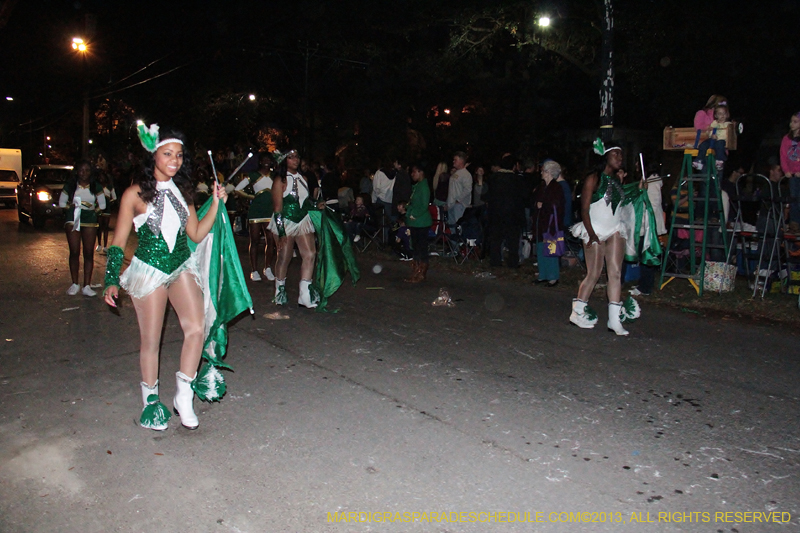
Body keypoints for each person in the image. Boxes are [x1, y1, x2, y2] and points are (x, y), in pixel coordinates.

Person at [103, 124, 228, 431]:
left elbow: (197, 233)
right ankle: (151, 403)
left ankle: (184, 395)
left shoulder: (183, 193)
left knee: (196, 328)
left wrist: (216, 203)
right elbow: (118, 242)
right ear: (153, 156)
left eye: (179, 155)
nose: (174, 160)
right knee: (151, 340)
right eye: (167, 154)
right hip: (149, 271)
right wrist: (110, 279)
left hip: (181, 265)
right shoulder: (134, 194)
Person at [569, 139, 661, 336]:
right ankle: (577, 313)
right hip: (594, 230)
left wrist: (639, 188)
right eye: (616, 154)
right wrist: (592, 234)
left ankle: (614, 319)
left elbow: (625, 200)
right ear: (606, 156)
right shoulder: (593, 178)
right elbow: (583, 209)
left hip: (615, 230)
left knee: (616, 273)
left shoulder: (617, 182)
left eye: (621, 154)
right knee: (594, 274)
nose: (620, 158)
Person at [269, 149, 321, 308]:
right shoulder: (280, 180)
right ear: (284, 161)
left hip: (303, 220)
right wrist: (281, 232)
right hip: (285, 221)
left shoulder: (304, 178)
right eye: (291, 157)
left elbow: (305, 201)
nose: (295, 160)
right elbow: (277, 207)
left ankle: (305, 295)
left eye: (297, 157)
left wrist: (316, 205)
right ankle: (279, 291)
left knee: (310, 254)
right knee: (284, 257)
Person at [59, 161, 106, 296]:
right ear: (77, 171)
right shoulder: (71, 185)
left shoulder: (95, 185)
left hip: (90, 220)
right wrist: (72, 208)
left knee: (88, 252)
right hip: (73, 218)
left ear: (91, 172)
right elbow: (62, 202)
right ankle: (75, 283)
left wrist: (93, 212)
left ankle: (87, 285)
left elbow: (102, 205)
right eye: (81, 170)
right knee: (74, 251)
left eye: (87, 170)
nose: (84, 173)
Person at [235, 154, 277, 282]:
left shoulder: (275, 175)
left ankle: (268, 267)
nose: (266, 162)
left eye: (268, 160)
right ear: (260, 161)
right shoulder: (253, 175)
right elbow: (237, 189)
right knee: (254, 240)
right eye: (264, 159)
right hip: (256, 211)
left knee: (270, 240)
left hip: (270, 211)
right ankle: (254, 270)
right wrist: (251, 197)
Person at [484, 154, 525, 268]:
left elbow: (488, 196)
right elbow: (522, 198)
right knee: (513, 241)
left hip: (496, 214)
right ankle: (513, 262)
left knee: (496, 239)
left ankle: (495, 261)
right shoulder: (517, 180)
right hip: (512, 215)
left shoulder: (493, 178)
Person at [533, 160, 566, 287]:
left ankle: (553, 276)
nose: (541, 173)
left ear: (549, 172)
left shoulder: (556, 188)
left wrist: (544, 205)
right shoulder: (542, 186)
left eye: (543, 171)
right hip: (541, 223)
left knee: (551, 250)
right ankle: (543, 274)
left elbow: (557, 206)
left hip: (551, 224)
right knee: (541, 249)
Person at [404, 162, 433, 283]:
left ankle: (420, 273)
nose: (412, 174)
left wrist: (413, 214)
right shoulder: (418, 186)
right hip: (416, 222)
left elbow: (423, 205)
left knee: (421, 248)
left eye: (414, 172)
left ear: (420, 172)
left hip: (421, 222)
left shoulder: (423, 187)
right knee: (415, 247)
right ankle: (416, 272)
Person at [694, 102, 731, 171]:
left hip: (721, 140)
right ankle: (699, 160)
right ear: (716, 115)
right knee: (704, 144)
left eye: (724, 113)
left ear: (727, 115)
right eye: (720, 114)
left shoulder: (728, 124)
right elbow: (709, 131)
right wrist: (711, 134)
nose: (722, 116)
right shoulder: (714, 123)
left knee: (720, 144)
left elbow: (728, 134)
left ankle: (719, 161)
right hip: (713, 139)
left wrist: (719, 137)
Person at [780, 111, 800, 232]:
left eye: (795, 122)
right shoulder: (786, 139)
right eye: (791, 121)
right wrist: (786, 170)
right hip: (792, 174)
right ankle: (794, 222)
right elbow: (783, 155)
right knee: (793, 198)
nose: (791, 124)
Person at [446, 151, 472, 227]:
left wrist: (458, 200)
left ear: (461, 161)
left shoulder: (466, 174)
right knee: (452, 227)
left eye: (455, 160)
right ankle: (453, 239)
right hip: (451, 205)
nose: (453, 161)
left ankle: (459, 239)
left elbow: (467, 189)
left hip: (459, 206)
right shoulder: (455, 173)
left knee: (459, 226)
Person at [96, 169, 117, 255]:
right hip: (99, 208)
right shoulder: (97, 186)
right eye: (100, 177)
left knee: (106, 227)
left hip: (107, 209)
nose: (101, 179)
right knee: (99, 227)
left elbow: (114, 197)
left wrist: (109, 203)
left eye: (102, 177)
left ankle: (105, 246)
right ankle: (99, 244)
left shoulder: (109, 187)